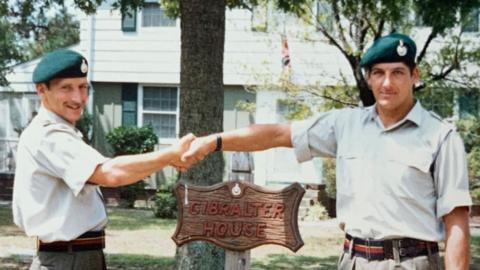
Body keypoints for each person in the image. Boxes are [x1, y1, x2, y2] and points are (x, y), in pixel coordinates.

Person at [181, 33, 472, 269]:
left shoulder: (441, 137)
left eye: (398, 73)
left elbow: (456, 222)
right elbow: (277, 134)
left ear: (415, 75)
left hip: (411, 262)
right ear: (369, 78)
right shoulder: (345, 125)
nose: (387, 83)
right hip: (353, 260)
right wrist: (214, 141)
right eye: (379, 73)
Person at [12, 49, 195, 270]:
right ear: (42, 90)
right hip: (65, 260)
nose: (78, 98)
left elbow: (114, 173)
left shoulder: (61, 132)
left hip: (79, 256)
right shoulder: (48, 136)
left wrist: (166, 159)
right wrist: (170, 155)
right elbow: (110, 173)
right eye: (66, 88)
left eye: (82, 87)